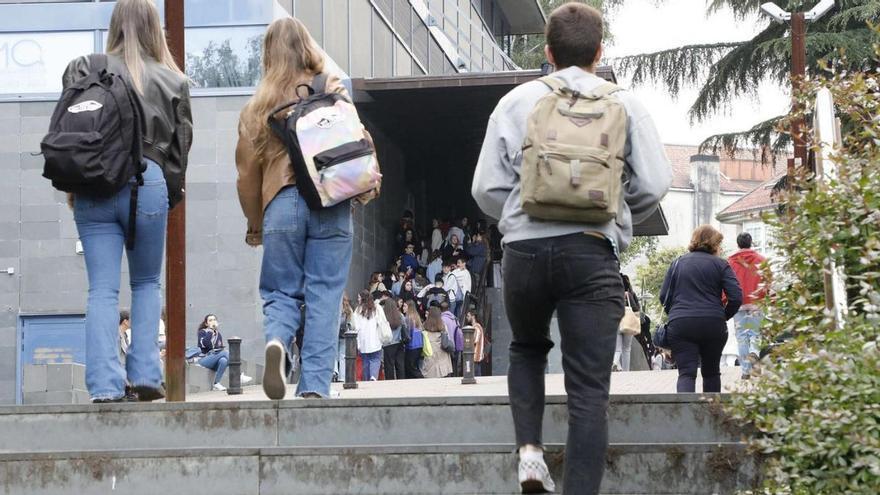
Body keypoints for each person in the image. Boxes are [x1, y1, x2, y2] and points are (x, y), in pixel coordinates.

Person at [471, 4, 672, 493]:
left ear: (547, 52)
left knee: (526, 348)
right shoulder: (625, 103)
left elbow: (484, 190)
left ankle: (530, 455)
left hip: (524, 255)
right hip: (591, 251)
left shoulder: (516, 102)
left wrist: (522, 215)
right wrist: (615, 215)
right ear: (600, 52)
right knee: (588, 387)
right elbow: (656, 184)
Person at [235, 17, 378, 400]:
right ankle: (314, 387)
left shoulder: (257, 105)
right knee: (325, 294)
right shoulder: (329, 86)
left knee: (281, 291)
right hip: (330, 201)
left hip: (281, 204)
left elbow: (247, 177)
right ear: (307, 47)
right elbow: (357, 138)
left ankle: (278, 345)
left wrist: (255, 224)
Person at [63, 0, 192, 403]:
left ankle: (103, 385)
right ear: (156, 29)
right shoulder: (172, 80)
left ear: (114, 26)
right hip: (147, 180)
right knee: (146, 281)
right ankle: (146, 376)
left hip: (94, 183)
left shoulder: (84, 68)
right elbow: (180, 149)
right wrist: (168, 193)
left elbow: (70, 130)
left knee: (100, 290)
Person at [660, 225, 742, 393]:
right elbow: (736, 297)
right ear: (713, 244)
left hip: (681, 324)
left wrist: (676, 314)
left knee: (686, 374)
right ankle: (711, 416)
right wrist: (723, 316)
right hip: (713, 323)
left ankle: (685, 416)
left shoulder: (677, 264)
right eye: (719, 244)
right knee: (711, 373)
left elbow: (663, 296)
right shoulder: (721, 265)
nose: (720, 248)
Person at [728, 232, 767, 380]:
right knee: (755, 335)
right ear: (751, 243)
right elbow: (768, 281)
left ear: (738, 244)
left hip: (738, 305)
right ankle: (755, 355)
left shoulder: (731, 262)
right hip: (757, 303)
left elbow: (726, 282)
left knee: (742, 337)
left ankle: (745, 371)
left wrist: (726, 301)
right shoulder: (761, 260)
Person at [352, 290, 388, 381]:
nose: (358, 299)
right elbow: (382, 322)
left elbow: (355, 326)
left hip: (363, 341)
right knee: (375, 359)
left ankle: (367, 379)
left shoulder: (358, 310)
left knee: (365, 362)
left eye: (359, 297)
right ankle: (373, 376)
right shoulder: (377, 308)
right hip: (375, 340)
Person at [613, 275, 641, 372]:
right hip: (628, 323)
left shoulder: (613, 294)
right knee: (626, 348)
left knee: (618, 349)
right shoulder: (629, 294)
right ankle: (626, 371)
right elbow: (636, 309)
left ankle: (615, 362)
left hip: (616, 322)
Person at [197, 314, 229, 392]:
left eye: (214, 320)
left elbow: (219, 348)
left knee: (223, 360)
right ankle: (238, 374)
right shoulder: (202, 332)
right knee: (225, 352)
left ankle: (216, 383)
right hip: (204, 359)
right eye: (210, 320)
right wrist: (210, 331)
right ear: (206, 324)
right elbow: (205, 344)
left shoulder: (218, 334)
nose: (213, 322)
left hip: (214, 360)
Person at [420, 307, 453, 378]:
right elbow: (447, 341)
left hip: (430, 359)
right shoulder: (443, 327)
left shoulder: (424, 327)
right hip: (443, 360)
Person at [381, 298, 407, 380]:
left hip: (388, 344)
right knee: (400, 364)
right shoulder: (400, 316)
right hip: (399, 343)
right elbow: (405, 328)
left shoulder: (384, 317)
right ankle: (401, 380)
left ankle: (390, 381)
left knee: (389, 365)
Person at [440, 302, 463, 377]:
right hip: (456, 345)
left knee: (448, 366)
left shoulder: (442, 319)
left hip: (448, 345)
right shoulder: (454, 318)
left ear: (440, 309)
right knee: (455, 365)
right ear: (448, 308)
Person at [404, 301, 425, 378]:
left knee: (410, 367)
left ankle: (421, 378)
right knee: (415, 365)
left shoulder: (408, 318)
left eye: (405, 306)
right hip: (419, 344)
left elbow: (408, 333)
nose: (403, 308)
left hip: (411, 345)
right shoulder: (416, 317)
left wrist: (404, 341)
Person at [336, 294, 354, 383]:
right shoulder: (349, 310)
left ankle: (334, 371)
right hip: (344, 335)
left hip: (335, 335)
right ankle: (342, 377)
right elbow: (353, 324)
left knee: (334, 355)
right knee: (343, 356)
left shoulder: (334, 308)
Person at [465, 309, 487, 377]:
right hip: (476, 356)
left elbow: (474, 340)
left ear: (473, 316)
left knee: (476, 375)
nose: (467, 317)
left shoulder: (476, 327)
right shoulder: (477, 326)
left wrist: (467, 341)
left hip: (475, 355)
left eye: (468, 316)